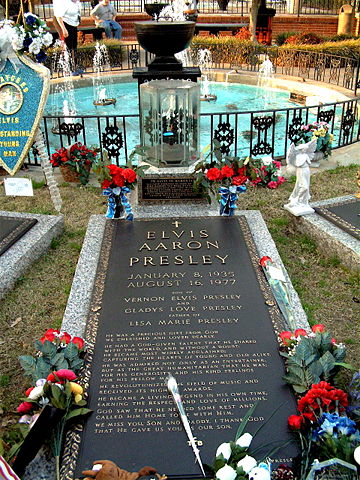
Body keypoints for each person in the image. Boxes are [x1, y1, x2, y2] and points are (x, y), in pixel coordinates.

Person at [53, 0, 82, 74]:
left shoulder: (76, 2)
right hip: (64, 23)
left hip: (73, 24)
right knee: (68, 47)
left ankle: (75, 67)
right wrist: (64, 29)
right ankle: (68, 69)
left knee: (74, 46)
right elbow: (58, 16)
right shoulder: (64, 2)